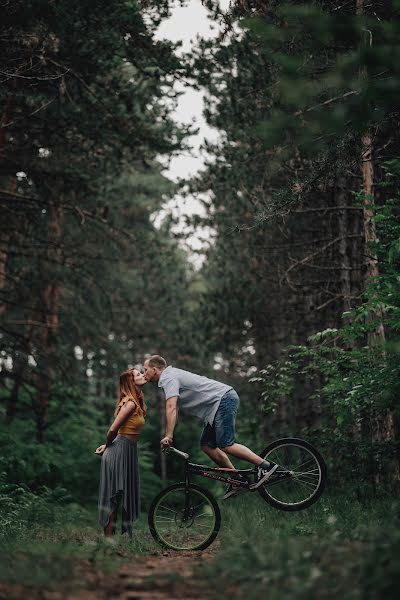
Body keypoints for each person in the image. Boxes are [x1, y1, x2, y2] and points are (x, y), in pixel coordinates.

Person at [143, 355, 278, 499]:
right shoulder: (170, 376)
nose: (144, 373)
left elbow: (171, 406)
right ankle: (237, 479)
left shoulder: (168, 377)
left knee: (226, 444)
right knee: (207, 446)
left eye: (145, 370)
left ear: (154, 369)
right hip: (215, 407)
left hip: (223, 400)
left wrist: (169, 435)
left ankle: (267, 467)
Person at [95, 368, 147, 535]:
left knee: (121, 496)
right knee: (113, 497)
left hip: (128, 451)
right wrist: (108, 444)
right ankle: (108, 542)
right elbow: (112, 430)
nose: (142, 375)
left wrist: (107, 445)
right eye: (138, 374)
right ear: (131, 382)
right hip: (119, 451)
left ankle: (115, 540)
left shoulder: (137, 401)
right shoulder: (130, 403)